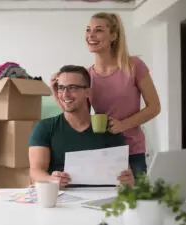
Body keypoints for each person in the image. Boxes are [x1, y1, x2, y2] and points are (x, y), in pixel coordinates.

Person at [51, 12, 160, 177]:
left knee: (136, 200)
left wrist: (123, 124)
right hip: (101, 152)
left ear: (113, 36)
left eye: (99, 30)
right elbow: (78, 116)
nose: (91, 35)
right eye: (88, 30)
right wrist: (55, 92)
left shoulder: (134, 66)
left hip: (133, 150)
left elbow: (154, 107)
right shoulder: (86, 76)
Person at [29, 65, 134, 188]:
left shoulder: (109, 127)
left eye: (72, 88)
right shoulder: (45, 127)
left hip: (101, 199)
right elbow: (35, 171)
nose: (65, 94)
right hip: (62, 199)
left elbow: (125, 173)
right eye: (61, 88)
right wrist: (51, 179)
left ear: (87, 92)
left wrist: (128, 180)